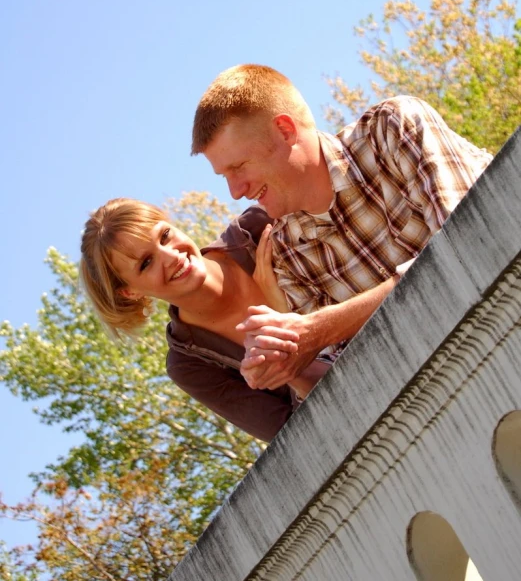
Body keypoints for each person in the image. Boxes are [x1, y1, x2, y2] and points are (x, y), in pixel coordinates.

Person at [191, 64, 493, 391]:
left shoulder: (391, 129)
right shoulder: (288, 255)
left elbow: (471, 247)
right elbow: (364, 383)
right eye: (225, 176)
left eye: (238, 167)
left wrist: (321, 327)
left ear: (284, 130)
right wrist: (285, 362)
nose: (236, 191)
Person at [80, 198, 395, 440]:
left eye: (165, 236)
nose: (171, 256)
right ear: (130, 293)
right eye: (146, 263)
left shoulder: (257, 230)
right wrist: (283, 347)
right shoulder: (190, 365)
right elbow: (298, 436)